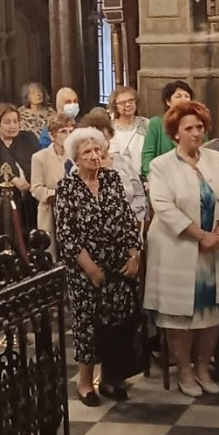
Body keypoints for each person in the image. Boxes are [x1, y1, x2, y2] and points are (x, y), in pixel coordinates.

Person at [143, 101, 219, 399]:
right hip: (178, 249)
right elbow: (163, 207)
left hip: (215, 248)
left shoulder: (215, 159)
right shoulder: (161, 165)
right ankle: (184, 370)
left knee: (211, 312)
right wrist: (200, 236)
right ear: (176, 133)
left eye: (200, 127)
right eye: (189, 128)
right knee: (180, 316)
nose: (196, 133)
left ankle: (202, 368)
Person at [54, 127, 142, 405]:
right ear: (75, 159)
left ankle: (110, 378)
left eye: (97, 150)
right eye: (87, 152)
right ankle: (84, 383)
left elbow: (127, 220)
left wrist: (134, 256)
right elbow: (66, 234)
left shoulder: (112, 179)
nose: (94, 156)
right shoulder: (67, 187)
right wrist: (90, 268)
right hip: (84, 268)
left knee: (116, 323)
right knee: (88, 324)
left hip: (117, 263)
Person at [0, 102, 39, 239]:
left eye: (15, 121)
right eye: (7, 122)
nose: (13, 126)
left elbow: (39, 163)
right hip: (1, 202)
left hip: (30, 198)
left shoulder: (28, 138)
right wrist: (13, 180)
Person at [79, 107, 146, 223]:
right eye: (96, 140)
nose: (102, 143)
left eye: (105, 138)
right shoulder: (79, 169)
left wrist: (131, 218)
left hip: (128, 224)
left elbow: (139, 194)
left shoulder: (123, 162)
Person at [29, 113, 75, 248]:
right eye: (63, 131)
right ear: (51, 135)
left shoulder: (76, 156)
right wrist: (56, 194)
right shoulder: (39, 157)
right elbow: (36, 188)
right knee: (51, 250)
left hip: (73, 212)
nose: (68, 135)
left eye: (71, 131)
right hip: (50, 212)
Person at [141, 80, 194, 177]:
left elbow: (203, 151)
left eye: (187, 96)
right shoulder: (156, 123)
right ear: (168, 101)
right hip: (162, 176)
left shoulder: (197, 123)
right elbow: (148, 155)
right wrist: (150, 175)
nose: (184, 99)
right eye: (178, 96)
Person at [108, 85, 149, 170]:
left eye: (131, 101)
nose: (128, 105)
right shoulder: (110, 128)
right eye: (122, 103)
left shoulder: (146, 123)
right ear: (115, 106)